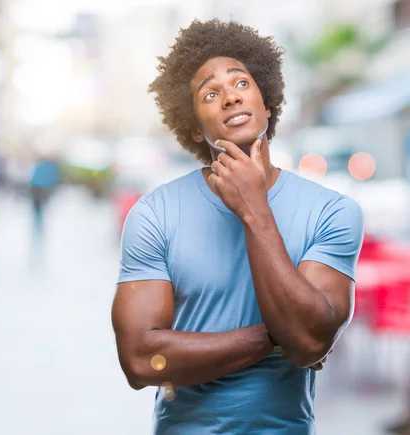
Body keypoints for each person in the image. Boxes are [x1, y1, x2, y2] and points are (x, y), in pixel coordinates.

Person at [111, 19, 364, 434]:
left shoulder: (333, 212)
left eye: (241, 83)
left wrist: (254, 209)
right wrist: (276, 337)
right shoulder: (154, 215)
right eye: (210, 93)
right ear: (194, 126)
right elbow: (141, 361)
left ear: (267, 104)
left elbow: (310, 341)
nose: (229, 97)